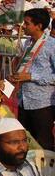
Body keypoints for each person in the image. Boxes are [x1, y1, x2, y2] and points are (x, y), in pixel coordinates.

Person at [10, 8, 55, 150]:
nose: (24, 26)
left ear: (39, 26)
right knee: (26, 140)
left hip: (42, 104)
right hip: (24, 101)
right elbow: (24, 67)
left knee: (43, 143)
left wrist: (31, 76)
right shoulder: (27, 43)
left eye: (27, 23)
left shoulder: (51, 45)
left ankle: (47, 171)